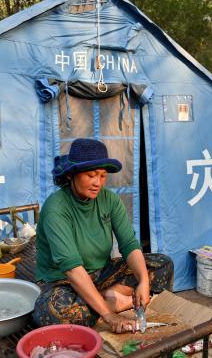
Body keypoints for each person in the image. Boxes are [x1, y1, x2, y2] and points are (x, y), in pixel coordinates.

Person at [32, 138, 174, 333]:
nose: (97, 183)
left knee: (162, 264)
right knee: (52, 312)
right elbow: (72, 269)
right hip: (63, 281)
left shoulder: (110, 200)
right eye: (90, 175)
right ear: (72, 175)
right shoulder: (56, 208)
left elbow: (129, 244)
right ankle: (109, 302)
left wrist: (143, 281)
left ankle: (102, 298)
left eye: (102, 176)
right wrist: (109, 315)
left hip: (102, 273)